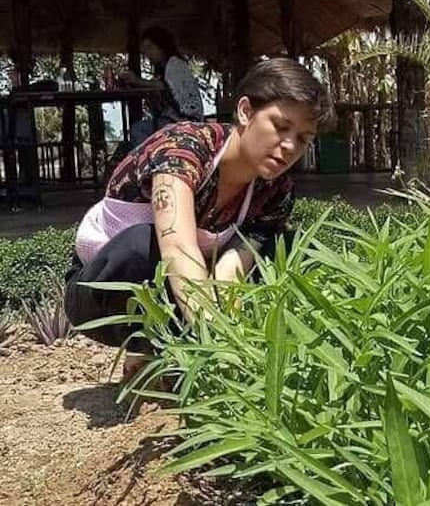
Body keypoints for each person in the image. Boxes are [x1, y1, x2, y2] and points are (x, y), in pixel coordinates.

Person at [65, 58, 334, 358]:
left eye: (302, 139)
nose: (289, 146)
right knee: (143, 245)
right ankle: (146, 352)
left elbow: (229, 273)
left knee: (291, 247)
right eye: (281, 126)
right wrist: (217, 348)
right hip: (99, 290)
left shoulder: (276, 191)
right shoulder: (183, 147)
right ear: (246, 112)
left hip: (187, 282)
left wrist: (235, 334)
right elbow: (177, 249)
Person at [119, 26, 204, 146]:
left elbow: (165, 86)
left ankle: (150, 162)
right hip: (172, 121)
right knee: (140, 129)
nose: (148, 54)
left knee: (138, 129)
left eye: (150, 48)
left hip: (184, 121)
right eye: (145, 52)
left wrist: (137, 81)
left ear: (162, 46)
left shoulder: (174, 64)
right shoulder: (164, 69)